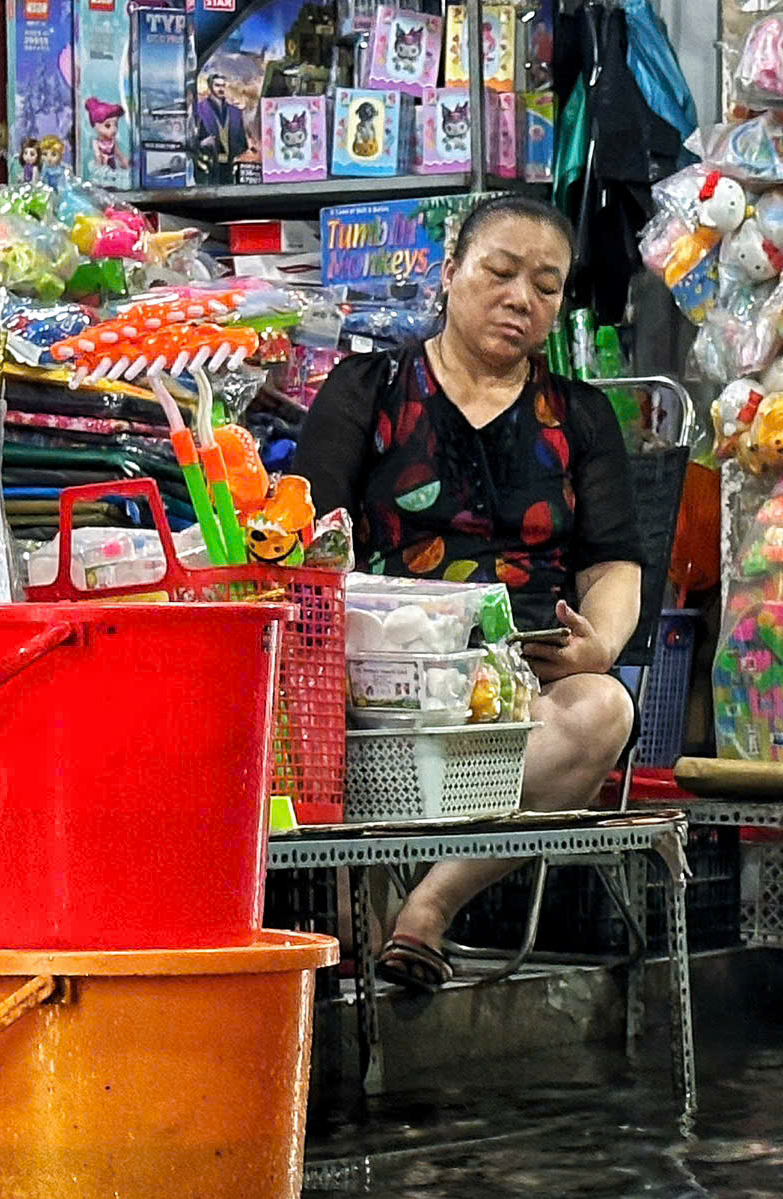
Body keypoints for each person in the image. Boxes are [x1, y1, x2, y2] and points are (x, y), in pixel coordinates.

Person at [295, 194, 642, 992]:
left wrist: (601, 643)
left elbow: (615, 565)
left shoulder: (580, 416)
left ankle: (429, 907)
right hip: (373, 692)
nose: (522, 297)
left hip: (517, 696)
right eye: (501, 271)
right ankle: (364, 909)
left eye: (547, 285)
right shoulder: (369, 389)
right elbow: (305, 542)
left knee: (606, 710)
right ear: (450, 274)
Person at [191, 72, 248, 183]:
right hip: (207, 168)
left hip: (230, 167)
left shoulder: (235, 112)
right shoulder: (199, 110)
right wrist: (202, 143)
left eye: (223, 85)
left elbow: (242, 142)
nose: (221, 89)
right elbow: (189, 140)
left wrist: (237, 156)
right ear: (210, 86)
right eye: (217, 85)